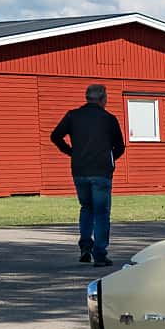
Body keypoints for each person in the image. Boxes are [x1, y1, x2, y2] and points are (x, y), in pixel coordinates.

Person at [48, 83, 125, 268]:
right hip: (101, 172)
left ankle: (85, 247)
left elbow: (55, 136)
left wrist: (71, 152)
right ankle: (100, 254)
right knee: (101, 213)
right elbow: (120, 147)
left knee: (86, 208)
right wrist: (109, 159)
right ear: (102, 99)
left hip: (80, 170)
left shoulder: (73, 116)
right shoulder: (109, 119)